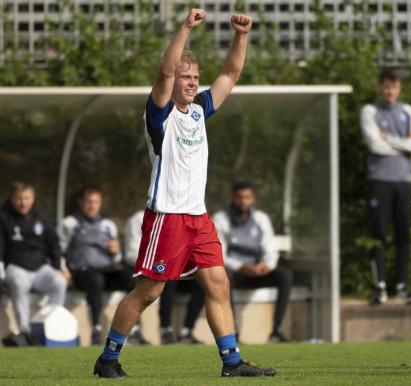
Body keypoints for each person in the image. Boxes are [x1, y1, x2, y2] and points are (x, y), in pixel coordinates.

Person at [93, 9, 275, 378]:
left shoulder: (198, 111)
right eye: (185, 77)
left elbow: (231, 74)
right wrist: (186, 28)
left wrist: (242, 35)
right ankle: (108, 358)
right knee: (149, 292)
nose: (192, 83)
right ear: (173, 80)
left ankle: (232, 362)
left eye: (195, 77)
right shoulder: (160, 115)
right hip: (167, 216)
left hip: (198, 218)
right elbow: (163, 71)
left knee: (218, 283)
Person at [360, 68, 411, 305]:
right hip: (380, 181)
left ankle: (401, 287)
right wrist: (403, 144)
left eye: (394, 87)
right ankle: (379, 287)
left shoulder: (408, 111)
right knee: (378, 235)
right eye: (386, 87)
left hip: (404, 182)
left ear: (399, 89)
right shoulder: (370, 111)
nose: (390, 91)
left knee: (404, 235)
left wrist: (388, 138)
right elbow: (374, 145)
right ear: (380, 88)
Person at [59, 186, 147, 346]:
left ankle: (134, 330)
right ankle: (96, 329)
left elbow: (117, 258)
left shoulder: (108, 225)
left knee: (131, 279)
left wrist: (115, 251)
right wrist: (63, 270)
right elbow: (59, 250)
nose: (92, 206)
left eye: (96, 202)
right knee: (94, 279)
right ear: (81, 203)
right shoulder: (69, 223)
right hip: (82, 272)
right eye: (88, 202)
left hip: (106, 271)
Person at [213, 182, 293, 343]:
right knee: (223, 275)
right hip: (234, 273)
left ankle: (276, 331)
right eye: (239, 197)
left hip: (256, 272)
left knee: (285, 275)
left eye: (247, 197)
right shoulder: (221, 219)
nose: (243, 201)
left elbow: (270, 249)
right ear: (233, 198)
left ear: (253, 199)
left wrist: (265, 266)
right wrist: (241, 266)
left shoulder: (260, 218)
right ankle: (232, 331)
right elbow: (220, 254)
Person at [0, 182, 68, 345]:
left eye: (26, 198)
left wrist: (58, 268)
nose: (23, 202)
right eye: (19, 199)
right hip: (15, 267)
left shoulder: (41, 215)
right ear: (12, 199)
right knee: (19, 283)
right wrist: (2, 280)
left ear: (33, 198)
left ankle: (49, 325)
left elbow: (53, 243)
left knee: (59, 282)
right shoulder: (3, 217)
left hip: (40, 268)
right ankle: (25, 331)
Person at [124, 209, 206, 345]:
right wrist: (161, 263)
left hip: (177, 269)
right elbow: (131, 254)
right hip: (149, 269)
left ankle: (186, 332)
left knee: (204, 283)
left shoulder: (187, 217)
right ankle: (165, 330)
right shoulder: (138, 218)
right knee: (167, 277)